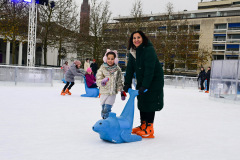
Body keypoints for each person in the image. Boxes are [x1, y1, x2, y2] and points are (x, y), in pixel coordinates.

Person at [123, 31, 164, 138]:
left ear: (143, 38)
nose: (136, 40)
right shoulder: (133, 51)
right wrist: (127, 83)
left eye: (138, 37)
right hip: (142, 79)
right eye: (134, 38)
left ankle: (150, 128)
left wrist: (145, 85)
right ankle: (143, 125)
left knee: (150, 101)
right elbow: (130, 68)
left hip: (154, 80)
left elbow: (149, 70)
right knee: (141, 101)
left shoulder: (149, 50)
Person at [96, 49, 126, 119]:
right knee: (103, 109)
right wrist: (102, 82)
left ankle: (106, 123)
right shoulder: (102, 68)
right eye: (108, 58)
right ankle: (104, 121)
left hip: (112, 93)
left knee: (107, 109)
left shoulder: (117, 69)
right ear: (106, 59)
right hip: (104, 92)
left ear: (115, 60)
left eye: (112, 59)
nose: (110, 60)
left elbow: (119, 81)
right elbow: (98, 78)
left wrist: (122, 91)